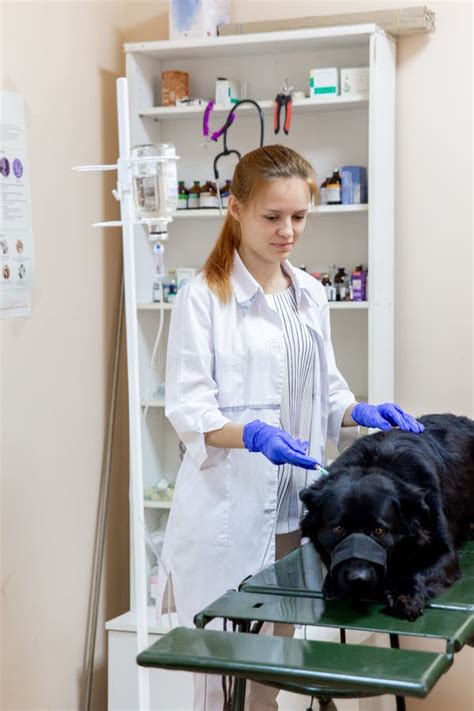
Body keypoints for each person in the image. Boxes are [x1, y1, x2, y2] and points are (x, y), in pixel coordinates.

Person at [156, 145, 423, 710]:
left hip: (293, 518)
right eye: (272, 217)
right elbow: (189, 409)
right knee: (221, 686)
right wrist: (251, 434)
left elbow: (326, 393)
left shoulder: (310, 294)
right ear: (236, 209)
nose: (287, 231)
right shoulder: (204, 297)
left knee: (271, 679)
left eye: (299, 217)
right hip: (227, 522)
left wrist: (360, 411)